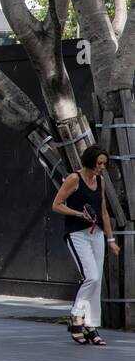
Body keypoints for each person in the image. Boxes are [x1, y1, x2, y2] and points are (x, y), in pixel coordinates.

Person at [51, 144, 118, 346]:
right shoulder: (74, 179)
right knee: (91, 276)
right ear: (90, 161)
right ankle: (76, 315)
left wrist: (111, 239)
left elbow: (104, 211)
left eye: (104, 164)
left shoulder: (101, 181)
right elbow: (57, 205)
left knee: (97, 282)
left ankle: (90, 325)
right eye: (99, 163)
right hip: (77, 233)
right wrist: (79, 214)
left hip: (96, 233)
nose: (102, 167)